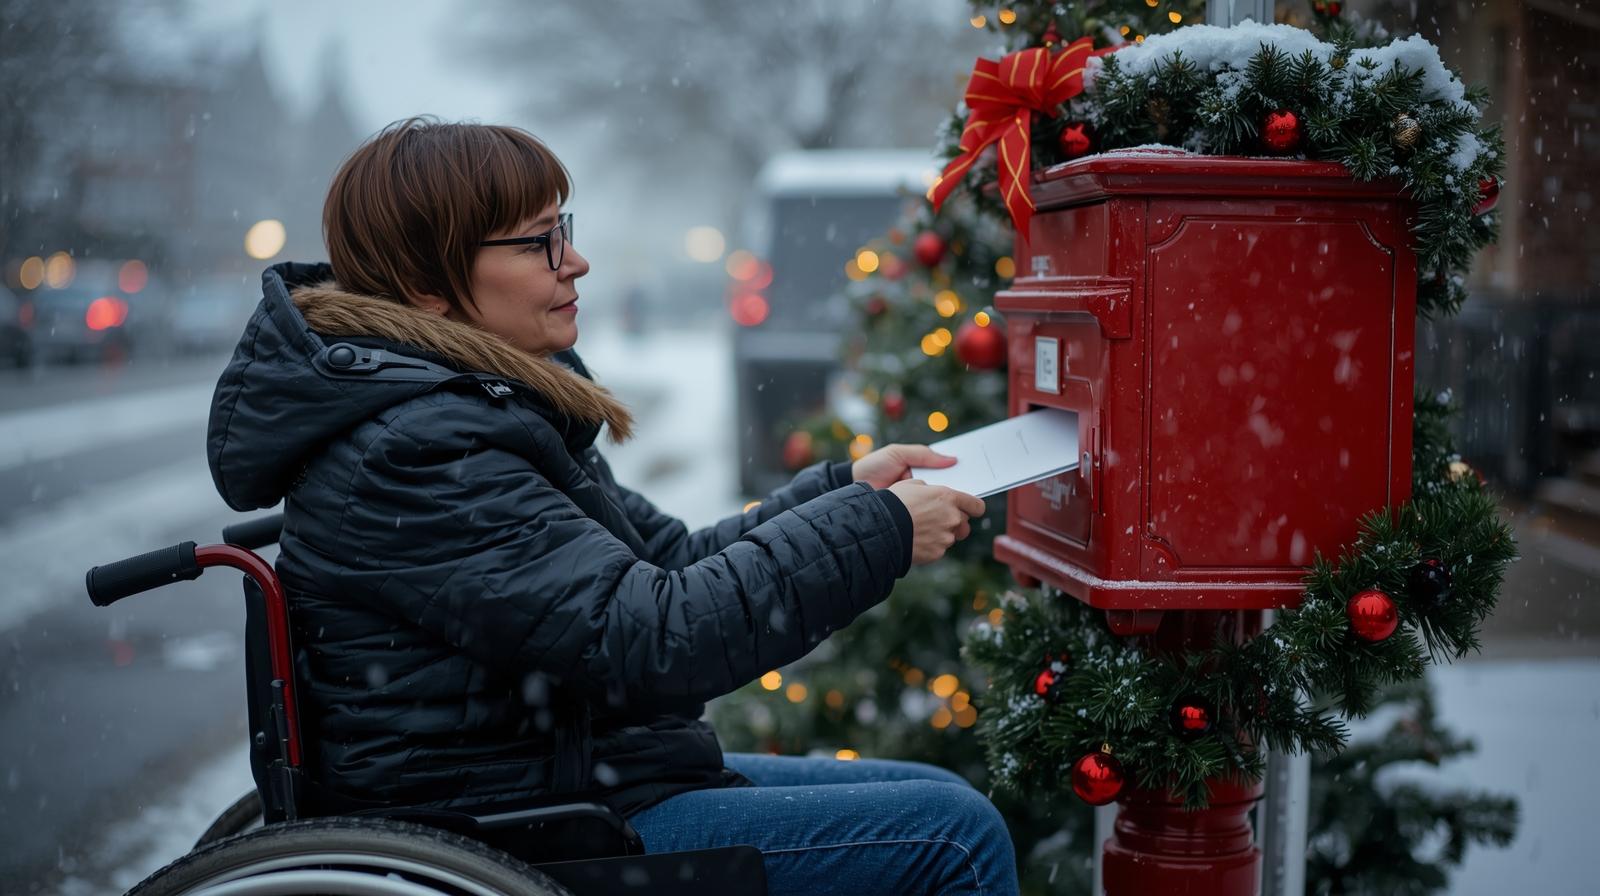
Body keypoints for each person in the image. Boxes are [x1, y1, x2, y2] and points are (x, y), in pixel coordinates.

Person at [207, 117, 1018, 895]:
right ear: (427, 285)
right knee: (953, 834)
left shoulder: (481, 409)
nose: (577, 261)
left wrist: (846, 494)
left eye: (564, 227)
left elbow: (662, 565)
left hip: (568, 783)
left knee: (931, 790)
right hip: (515, 827)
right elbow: (653, 640)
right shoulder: (421, 450)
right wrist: (872, 532)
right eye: (540, 242)